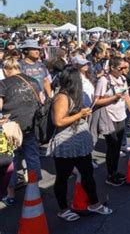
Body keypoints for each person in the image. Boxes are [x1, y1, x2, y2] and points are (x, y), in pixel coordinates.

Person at [47, 66, 113, 221]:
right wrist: (80, 114)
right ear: (74, 80)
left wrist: (82, 114)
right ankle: (63, 209)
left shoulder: (73, 95)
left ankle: (94, 203)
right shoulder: (62, 97)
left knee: (87, 173)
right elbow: (58, 121)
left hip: (78, 141)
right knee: (63, 177)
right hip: (66, 143)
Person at [0, 57, 42, 206]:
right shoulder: (33, 81)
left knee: (11, 161)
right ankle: (34, 189)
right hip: (31, 125)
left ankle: (11, 195)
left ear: (6, 69)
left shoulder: (3, 84)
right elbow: (41, 101)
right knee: (32, 158)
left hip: (11, 128)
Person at [93, 57, 130, 186]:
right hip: (108, 117)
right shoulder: (103, 80)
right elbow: (96, 101)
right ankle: (110, 175)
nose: (124, 71)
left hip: (121, 115)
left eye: (125, 68)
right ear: (112, 67)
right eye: (121, 68)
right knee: (112, 146)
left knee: (117, 147)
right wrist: (113, 98)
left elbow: (127, 96)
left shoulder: (122, 79)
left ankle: (115, 172)